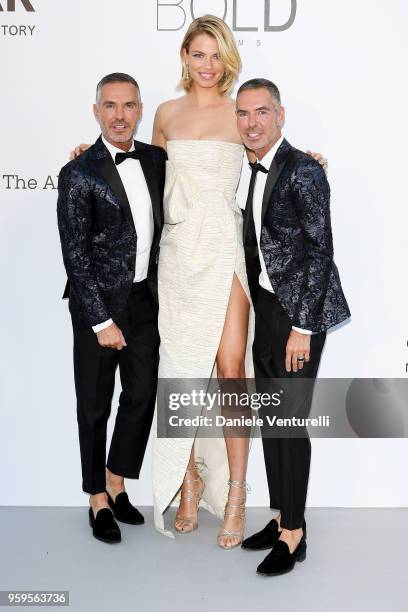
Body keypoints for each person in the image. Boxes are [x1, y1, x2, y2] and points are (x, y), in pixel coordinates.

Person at [69, 15, 327, 549]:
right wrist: (85, 158)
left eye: (215, 54)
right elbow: (140, 168)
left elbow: (273, 157)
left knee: (232, 371)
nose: (206, 64)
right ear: (184, 56)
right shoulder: (164, 114)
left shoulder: (240, 116)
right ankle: (188, 483)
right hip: (180, 257)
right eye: (197, 54)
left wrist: (314, 159)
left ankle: (236, 494)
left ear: (226, 58)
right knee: (181, 371)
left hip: (228, 253)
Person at [236, 78, 350, 575]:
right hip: (266, 308)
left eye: (262, 112)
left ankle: (295, 533)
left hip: (299, 313)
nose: (252, 123)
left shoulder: (304, 171)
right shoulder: (245, 167)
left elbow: (321, 252)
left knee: (289, 423)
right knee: (271, 421)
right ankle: (281, 513)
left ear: (280, 115)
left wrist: (303, 328)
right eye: (243, 114)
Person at [57, 73, 166, 544]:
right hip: (95, 306)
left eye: (129, 106)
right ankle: (97, 498)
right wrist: (101, 320)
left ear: (140, 110)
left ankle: (118, 481)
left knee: (141, 396)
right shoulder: (78, 173)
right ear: (96, 110)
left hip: (145, 299)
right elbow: (74, 254)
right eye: (110, 106)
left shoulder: (158, 160)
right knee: (94, 405)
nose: (119, 115)